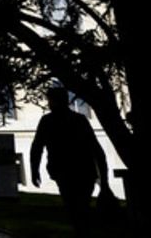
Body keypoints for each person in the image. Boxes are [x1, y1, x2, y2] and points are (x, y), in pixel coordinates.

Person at [30, 87, 110, 236]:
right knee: (82, 208)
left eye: (49, 100)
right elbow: (97, 150)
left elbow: (37, 147)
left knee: (74, 208)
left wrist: (34, 170)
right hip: (83, 171)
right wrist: (104, 181)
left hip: (64, 171)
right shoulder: (79, 120)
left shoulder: (48, 121)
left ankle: (81, 231)